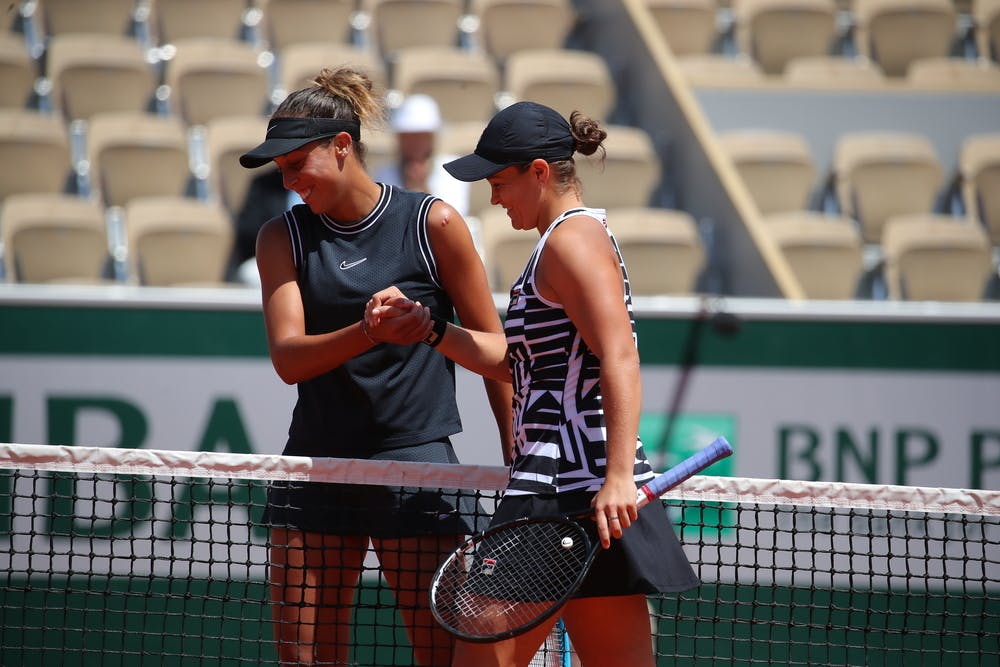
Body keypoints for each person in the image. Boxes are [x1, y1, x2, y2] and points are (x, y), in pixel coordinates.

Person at [365, 101, 700, 667]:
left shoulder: (572, 241)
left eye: (500, 182)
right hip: (581, 494)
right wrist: (429, 329)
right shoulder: (562, 242)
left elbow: (619, 354)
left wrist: (619, 476)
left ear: (540, 173)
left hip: (565, 491)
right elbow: (521, 363)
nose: (494, 198)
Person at [238, 66, 514, 666]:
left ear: (341, 148)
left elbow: (499, 355)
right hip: (318, 461)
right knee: (306, 660)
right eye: (279, 170)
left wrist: (519, 458)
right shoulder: (279, 238)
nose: (287, 181)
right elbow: (289, 359)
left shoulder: (434, 222)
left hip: (415, 463)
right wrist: (368, 332)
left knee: (446, 658)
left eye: (295, 164)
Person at [373, 94, 470, 217]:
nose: (415, 143)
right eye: (409, 136)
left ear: (432, 137)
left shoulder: (453, 171)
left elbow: (453, 219)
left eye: (421, 136)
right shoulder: (383, 174)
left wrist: (421, 189)